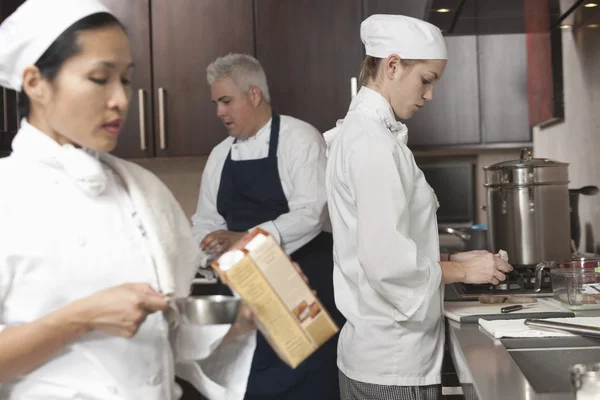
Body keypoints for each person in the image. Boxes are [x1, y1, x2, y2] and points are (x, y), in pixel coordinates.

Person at [0, 1, 256, 399]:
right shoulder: (8, 193)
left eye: (126, 79)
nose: (121, 99)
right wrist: (80, 318)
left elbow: (167, 333)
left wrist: (239, 319)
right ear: (35, 82)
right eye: (100, 78)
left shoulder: (141, 189)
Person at [323, 14, 514, 400]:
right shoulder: (373, 144)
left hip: (380, 355)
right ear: (392, 65)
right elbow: (386, 263)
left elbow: (378, 241)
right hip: (392, 363)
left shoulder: (366, 134)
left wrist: (446, 256)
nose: (429, 95)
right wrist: (462, 269)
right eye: (426, 80)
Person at [192, 53, 343, 400]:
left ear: (254, 95)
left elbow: (311, 213)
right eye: (216, 103)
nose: (219, 112)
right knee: (251, 383)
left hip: (306, 291)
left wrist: (246, 240)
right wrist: (209, 246)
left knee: (311, 387)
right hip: (247, 297)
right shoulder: (219, 155)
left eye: (226, 101)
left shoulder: (299, 138)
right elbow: (205, 221)